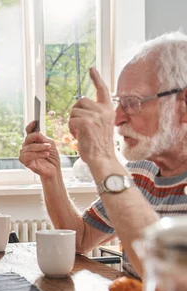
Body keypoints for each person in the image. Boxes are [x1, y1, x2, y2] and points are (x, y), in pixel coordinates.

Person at [19, 31, 187, 277]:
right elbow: (81, 239)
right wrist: (50, 174)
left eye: (133, 102)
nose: (117, 118)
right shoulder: (141, 171)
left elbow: (169, 279)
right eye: (118, 102)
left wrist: (103, 157)